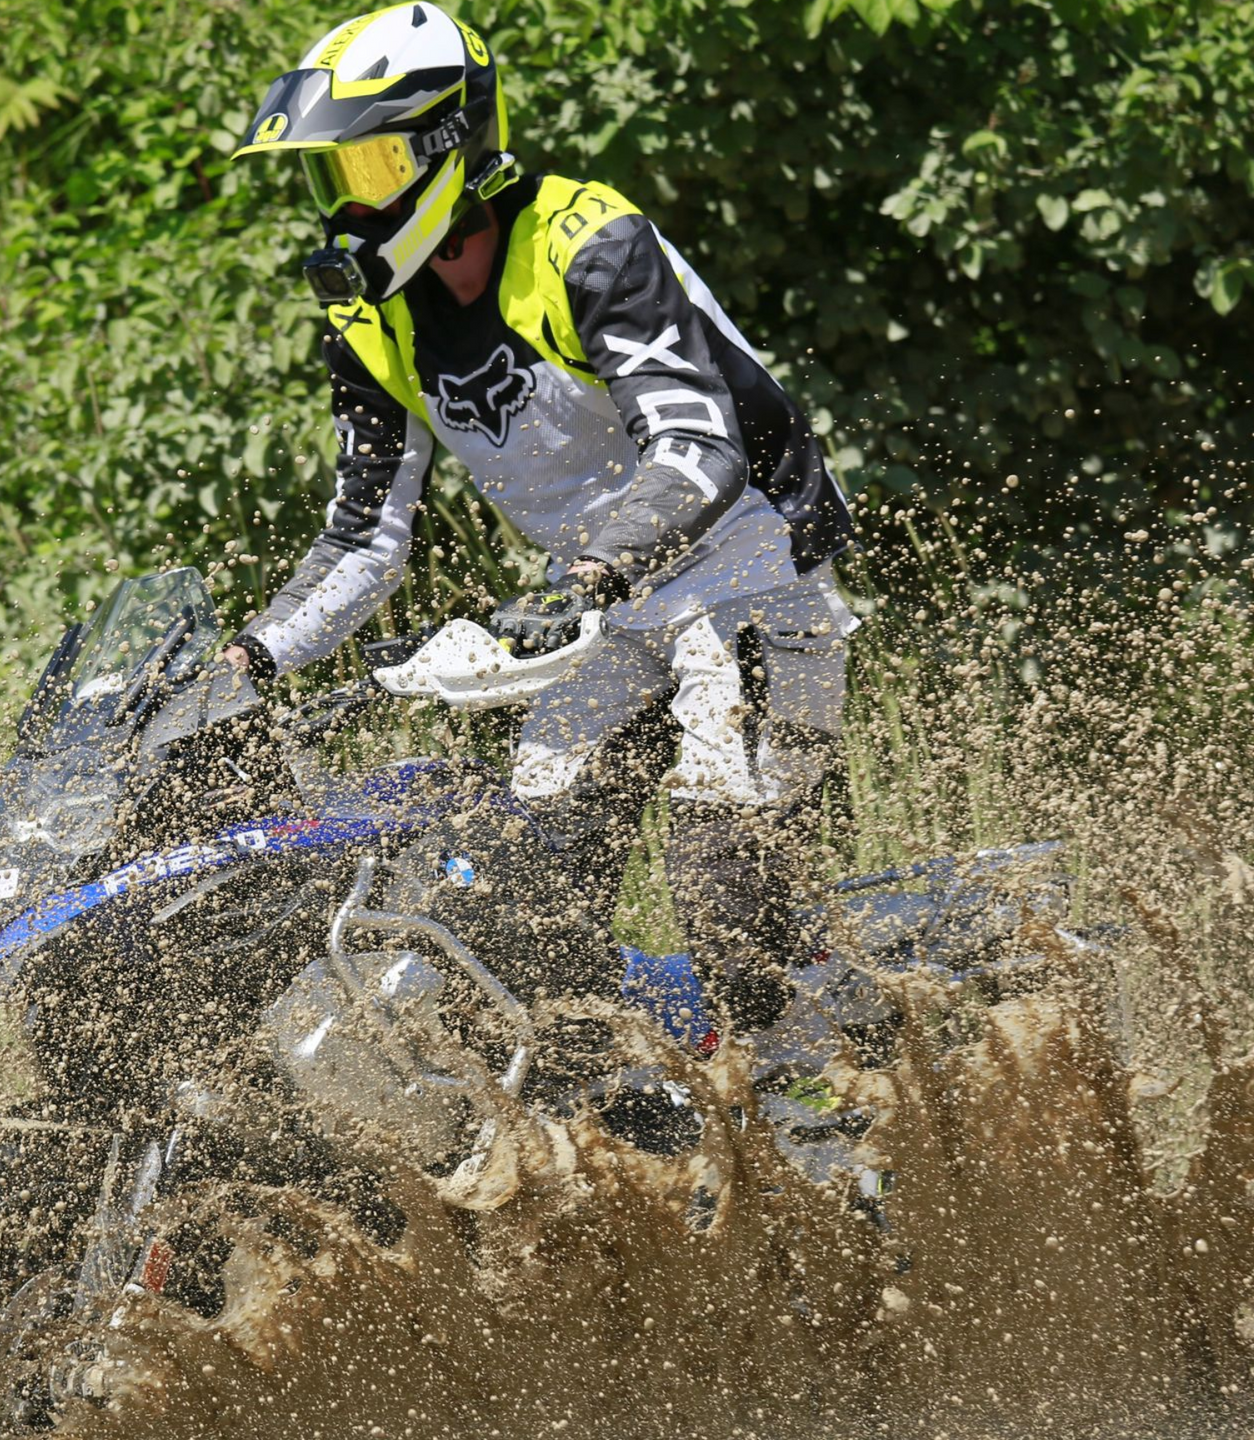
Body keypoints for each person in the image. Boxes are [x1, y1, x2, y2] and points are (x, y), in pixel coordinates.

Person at [224, 3, 858, 1042]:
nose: (350, 206)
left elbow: (698, 448)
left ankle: (830, 1103)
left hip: (751, 575)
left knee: (724, 886)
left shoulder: (587, 243)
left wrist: (593, 575)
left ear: (448, 145)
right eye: (333, 178)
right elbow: (365, 534)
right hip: (610, 612)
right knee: (518, 897)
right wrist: (246, 660)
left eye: (372, 169)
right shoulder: (371, 314)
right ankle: (627, 1099)